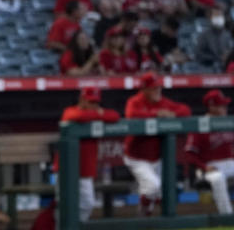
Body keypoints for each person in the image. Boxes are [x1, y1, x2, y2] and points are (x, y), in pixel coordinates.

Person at [123, 72, 191, 216]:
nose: (157, 91)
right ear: (144, 89)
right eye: (153, 88)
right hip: (136, 157)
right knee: (153, 187)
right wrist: (156, 114)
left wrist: (172, 114)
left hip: (157, 158)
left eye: (158, 88)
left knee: (160, 192)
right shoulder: (135, 101)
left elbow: (185, 110)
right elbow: (131, 115)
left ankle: (149, 219)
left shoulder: (163, 102)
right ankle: (144, 213)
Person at [58, 88, 121, 221]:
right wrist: (98, 115)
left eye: (96, 103)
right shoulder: (70, 111)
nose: (94, 106)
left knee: (87, 203)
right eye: (91, 102)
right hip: (66, 168)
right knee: (63, 204)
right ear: (82, 100)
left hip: (84, 169)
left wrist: (96, 114)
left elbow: (115, 115)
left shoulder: (95, 114)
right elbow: (76, 116)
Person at [185, 89, 234, 215]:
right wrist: (204, 167)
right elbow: (190, 154)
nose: (225, 108)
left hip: (230, 163)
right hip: (209, 166)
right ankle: (227, 216)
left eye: (225, 105)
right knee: (218, 179)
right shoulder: (201, 125)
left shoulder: (229, 122)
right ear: (211, 106)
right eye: (221, 105)